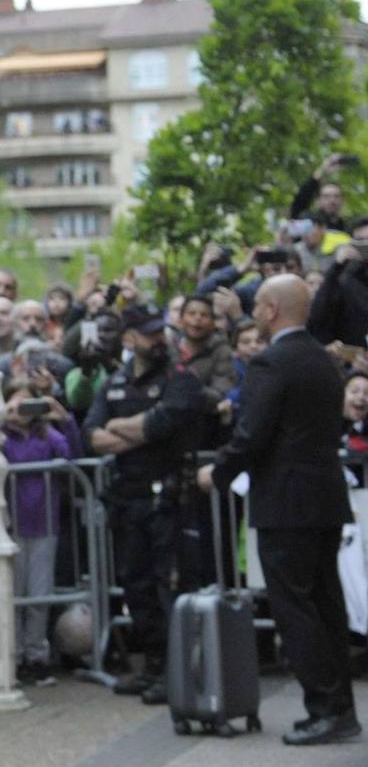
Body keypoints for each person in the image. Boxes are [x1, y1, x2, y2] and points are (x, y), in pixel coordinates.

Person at [197, 274, 361, 746]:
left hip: (286, 504)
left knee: (296, 610)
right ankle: (340, 708)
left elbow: (252, 433)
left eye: (258, 308)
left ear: (270, 310)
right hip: (325, 499)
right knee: (326, 607)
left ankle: (324, 709)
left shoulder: (272, 362)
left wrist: (218, 474)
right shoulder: (323, 360)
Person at [82, 302, 204, 706]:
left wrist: (126, 428)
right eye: (149, 333)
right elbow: (92, 435)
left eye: (160, 331)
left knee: (166, 584)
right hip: (128, 497)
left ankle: (176, 671)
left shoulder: (179, 378)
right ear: (130, 339)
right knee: (135, 585)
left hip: (167, 497)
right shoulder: (114, 381)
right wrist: (137, 430)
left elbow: (165, 423)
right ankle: (153, 664)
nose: (159, 339)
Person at [1, 380, 77, 687]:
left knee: (39, 594)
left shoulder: (47, 435)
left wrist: (64, 419)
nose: (21, 411)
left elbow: (70, 454)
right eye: (15, 404)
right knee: (13, 592)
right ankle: (14, 655)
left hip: (45, 524)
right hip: (11, 525)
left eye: (27, 404)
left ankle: (36, 654)